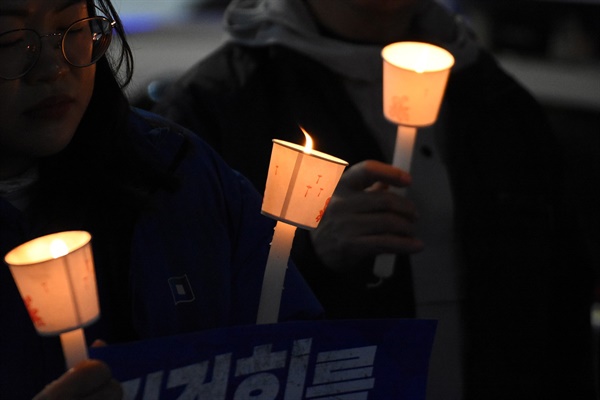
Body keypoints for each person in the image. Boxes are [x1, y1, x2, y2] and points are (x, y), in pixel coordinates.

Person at [151, 0, 597, 398]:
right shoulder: (219, 101)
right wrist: (307, 251)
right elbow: (181, 311)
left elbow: (561, 297)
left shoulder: (497, 100)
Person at [0, 0, 323, 398]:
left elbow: (296, 345)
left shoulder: (175, 170)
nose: (54, 68)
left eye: (73, 28)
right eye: (10, 41)